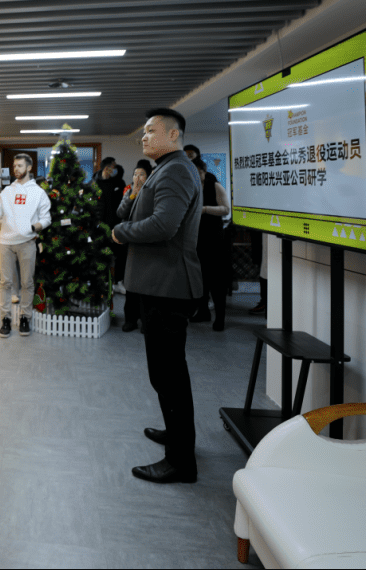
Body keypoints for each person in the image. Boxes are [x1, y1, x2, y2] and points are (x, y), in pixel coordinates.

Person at [112, 108, 203, 484]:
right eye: (144, 132)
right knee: (165, 374)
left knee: (169, 376)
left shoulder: (177, 170)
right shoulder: (166, 169)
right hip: (159, 285)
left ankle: (181, 462)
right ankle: (177, 436)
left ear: (174, 134)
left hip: (168, 286)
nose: (144, 137)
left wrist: (121, 232)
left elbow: (165, 225)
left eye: (151, 131)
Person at [0, 153, 51, 338]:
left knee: (27, 283)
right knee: (5, 283)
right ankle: (5, 319)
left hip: (27, 242)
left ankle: (25, 318)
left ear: (29, 168)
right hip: (6, 243)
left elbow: (46, 218)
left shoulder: (38, 192)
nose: (16, 169)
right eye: (14, 166)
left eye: (20, 166)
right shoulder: (7, 191)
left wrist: (33, 228)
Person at [191, 158, 231, 331]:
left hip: (214, 239)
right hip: (197, 239)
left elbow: (226, 209)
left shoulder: (215, 185)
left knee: (216, 281)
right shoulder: (191, 187)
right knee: (201, 279)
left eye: (198, 172)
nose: (196, 175)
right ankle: (203, 311)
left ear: (204, 171)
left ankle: (220, 318)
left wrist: (205, 209)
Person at [117, 159, 153, 332]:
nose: (137, 177)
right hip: (130, 243)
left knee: (146, 284)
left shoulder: (153, 191)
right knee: (130, 283)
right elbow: (121, 212)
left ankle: (147, 321)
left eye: (142, 174)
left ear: (149, 176)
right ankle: (130, 319)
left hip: (147, 243)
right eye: (135, 174)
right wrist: (133, 195)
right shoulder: (129, 191)